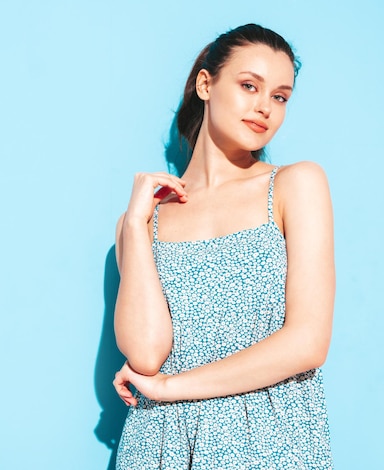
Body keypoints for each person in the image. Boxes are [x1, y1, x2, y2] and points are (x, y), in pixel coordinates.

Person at [112, 24, 334, 469]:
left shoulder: (295, 184)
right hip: (159, 442)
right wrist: (135, 224)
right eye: (249, 85)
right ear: (206, 84)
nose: (264, 108)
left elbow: (307, 342)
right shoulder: (143, 220)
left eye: (280, 96)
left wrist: (172, 387)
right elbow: (146, 355)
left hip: (272, 438)